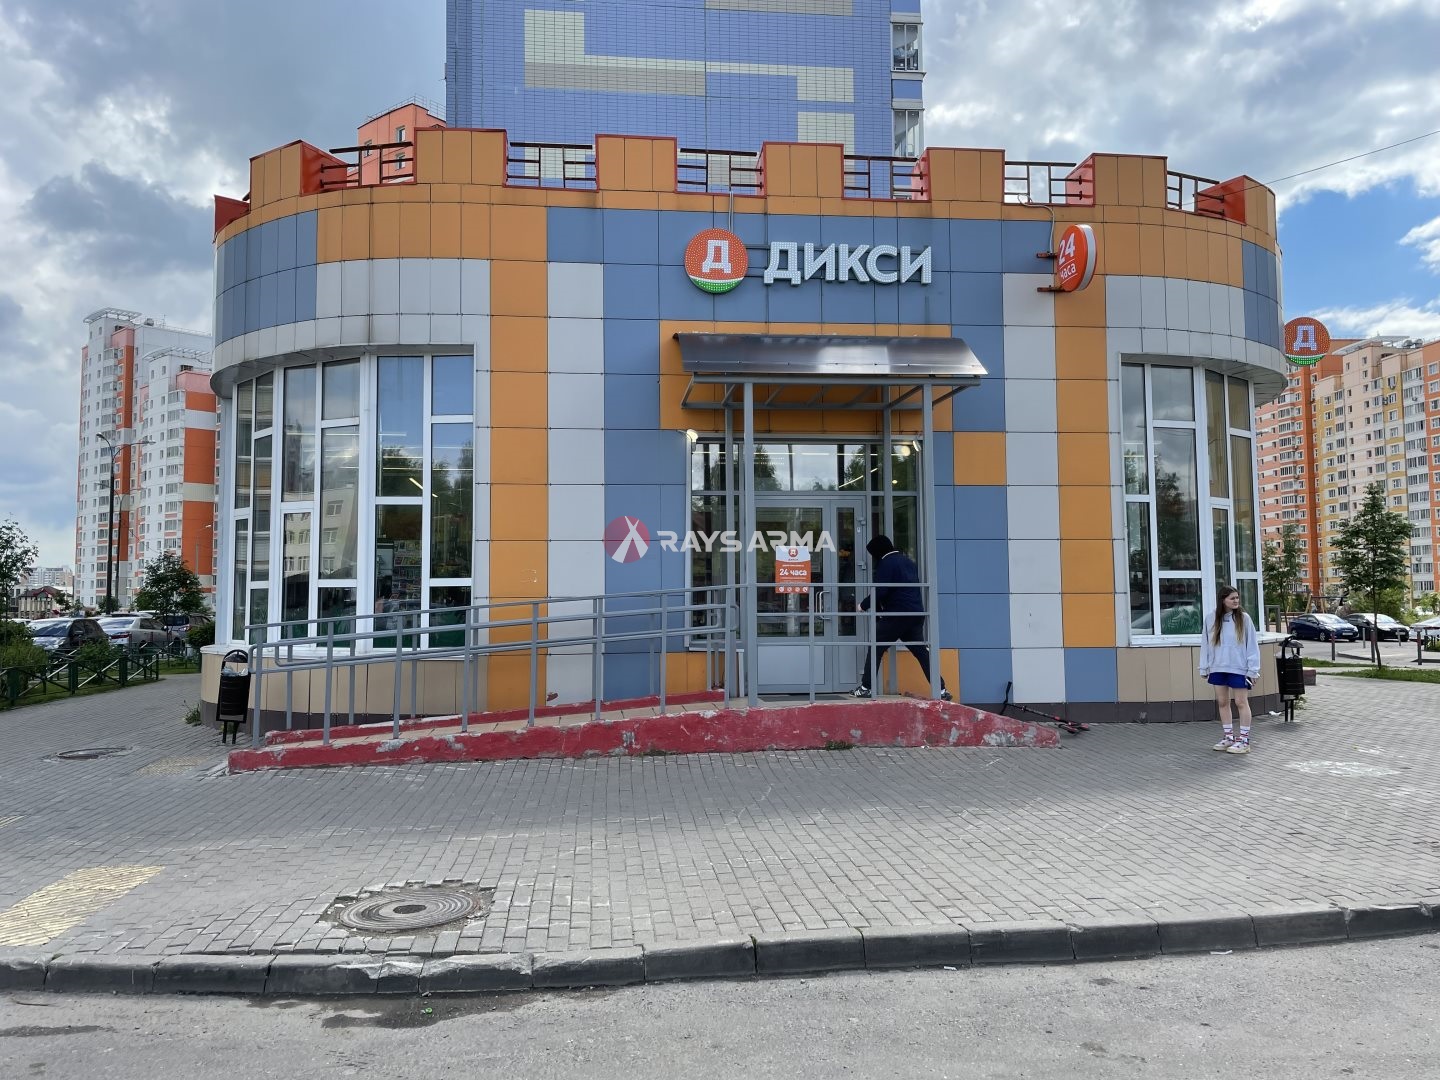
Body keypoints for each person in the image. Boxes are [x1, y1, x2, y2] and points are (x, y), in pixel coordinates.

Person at [853, 534, 950, 701]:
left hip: (897, 615)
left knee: (875, 647)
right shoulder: (908, 562)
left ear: (878, 551)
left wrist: (863, 605)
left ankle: (865, 688)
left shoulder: (886, 563)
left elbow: (880, 591)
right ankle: (941, 690)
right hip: (915, 614)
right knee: (921, 652)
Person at [1199, 585, 1261, 755]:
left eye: (1237, 598)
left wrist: (1253, 669)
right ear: (1223, 600)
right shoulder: (1211, 618)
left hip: (1239, 667)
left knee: (1241, 702)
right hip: (1218, 666)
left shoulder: (1244, 618)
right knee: (1222, 702)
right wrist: (1204, 666)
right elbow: (1205, 643)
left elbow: (1252, 645)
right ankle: (1228, 737)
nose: (1236, 601)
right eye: (1232, 598)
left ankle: (1244, 740)